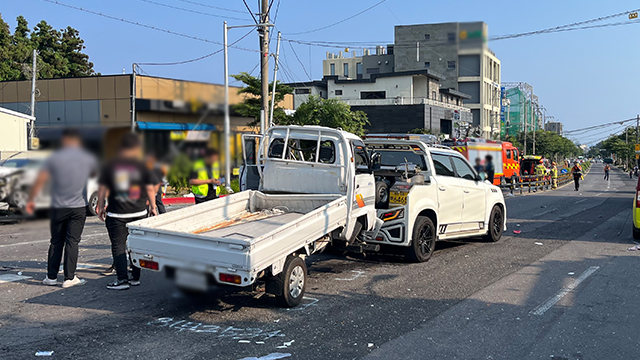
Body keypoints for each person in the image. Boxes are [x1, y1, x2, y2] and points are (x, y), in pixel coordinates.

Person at [26, 128, 97, 288]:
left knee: (56, 241)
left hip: (58, 206)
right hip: (78, 206)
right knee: (72, 241)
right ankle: (69, 278)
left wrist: (31, 199)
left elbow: (41, 179)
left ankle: (51, 277)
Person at [97, 134, 158, 290]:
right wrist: (153, 206)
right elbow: (150, 188)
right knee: (135, 245)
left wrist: (100, 205)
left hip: (117, 213)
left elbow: (103, 187)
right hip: (138, 212)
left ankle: (122, 280)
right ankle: (135, 277)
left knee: (118, 246)